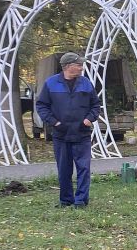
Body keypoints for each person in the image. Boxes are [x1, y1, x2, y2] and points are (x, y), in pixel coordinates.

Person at [36, 52, 101, 208]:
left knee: (84, 169)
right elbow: (41, 106)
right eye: (78, 65)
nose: (81, 67)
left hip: (82, 134)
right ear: (68, 66)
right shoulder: (51, 83)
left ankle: (81, 201)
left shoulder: (86, 83)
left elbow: (95, 105)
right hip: (61, 135)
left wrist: (88, 120)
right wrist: (55, 123)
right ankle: (66, 200)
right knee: (64, 170)